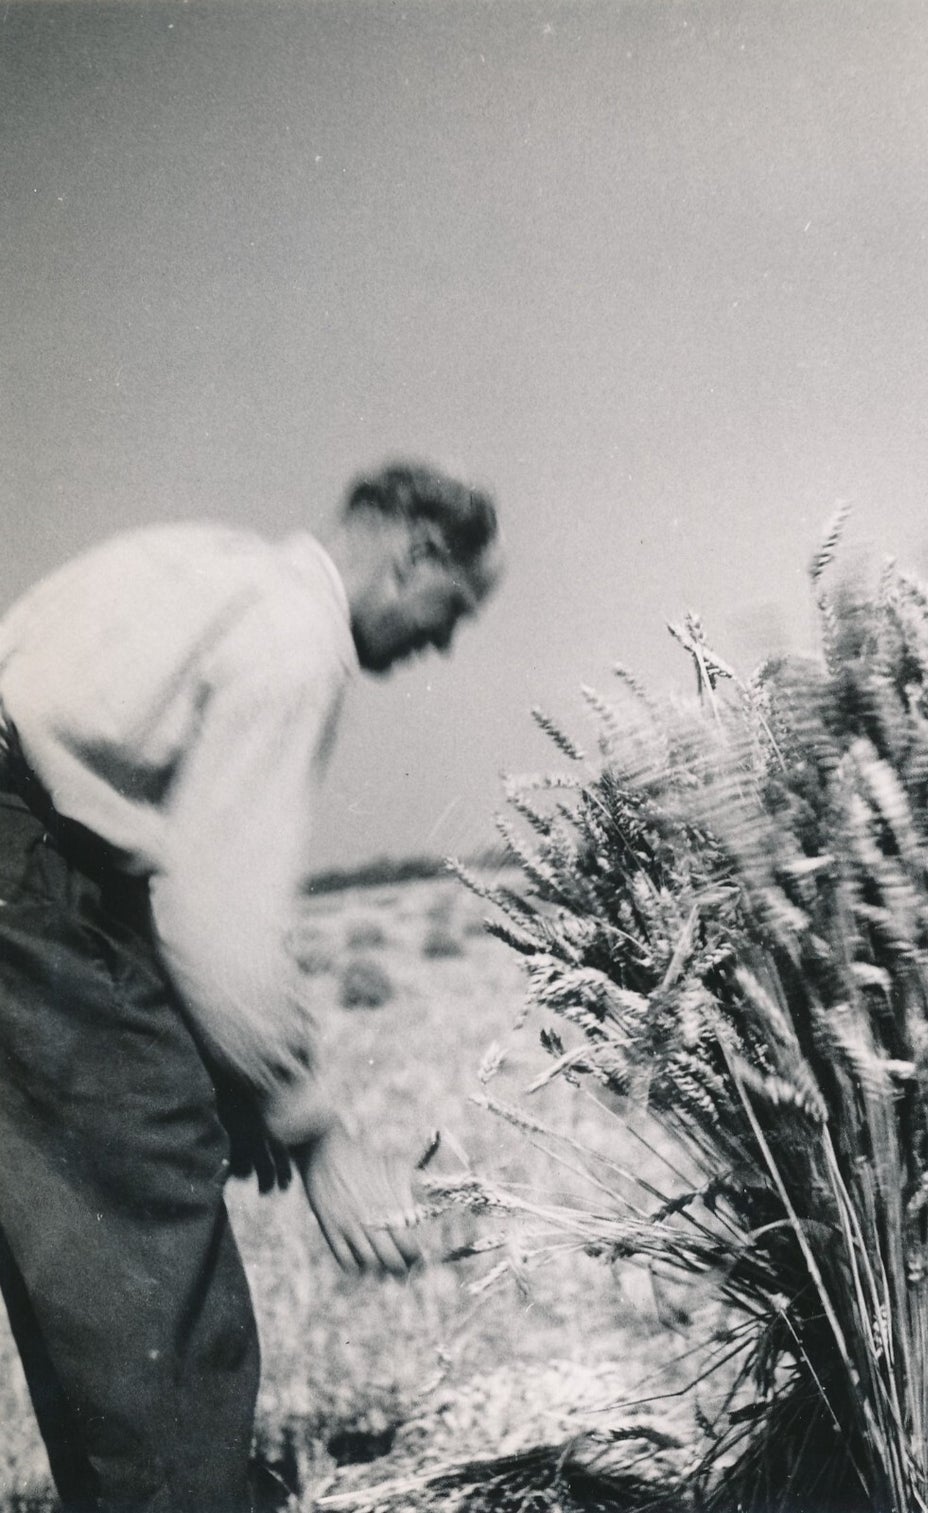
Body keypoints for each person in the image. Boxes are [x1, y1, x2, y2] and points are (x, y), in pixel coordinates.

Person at [0, 461, 501, 1510]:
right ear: (416, 554)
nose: (442, 644)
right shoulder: (293, 642)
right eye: (451, 610)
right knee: (138, 1191)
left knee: (87, 1206)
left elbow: (107, 843)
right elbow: (212, 908)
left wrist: (222, 1071)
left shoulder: (205, 564)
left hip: (26, 868)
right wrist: (314, 1128)